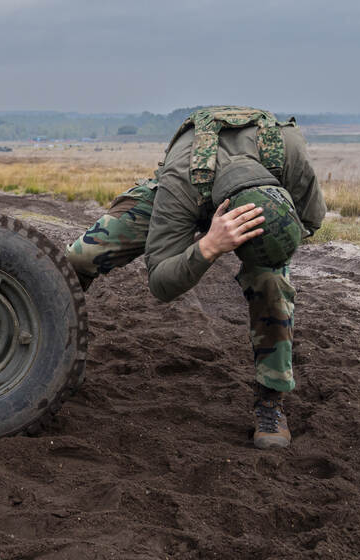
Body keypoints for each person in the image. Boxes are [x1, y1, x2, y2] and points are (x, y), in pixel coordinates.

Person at [65, 106, 325, 449]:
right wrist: (208, 247)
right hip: (191, 188)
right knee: (79, 257)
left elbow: (312, 218)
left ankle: (271, 401)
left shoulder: (288, 149)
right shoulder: (181, 182)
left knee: (272, 282)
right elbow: (161, 283)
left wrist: (271, 240)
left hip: (267, 204)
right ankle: (54, 349)